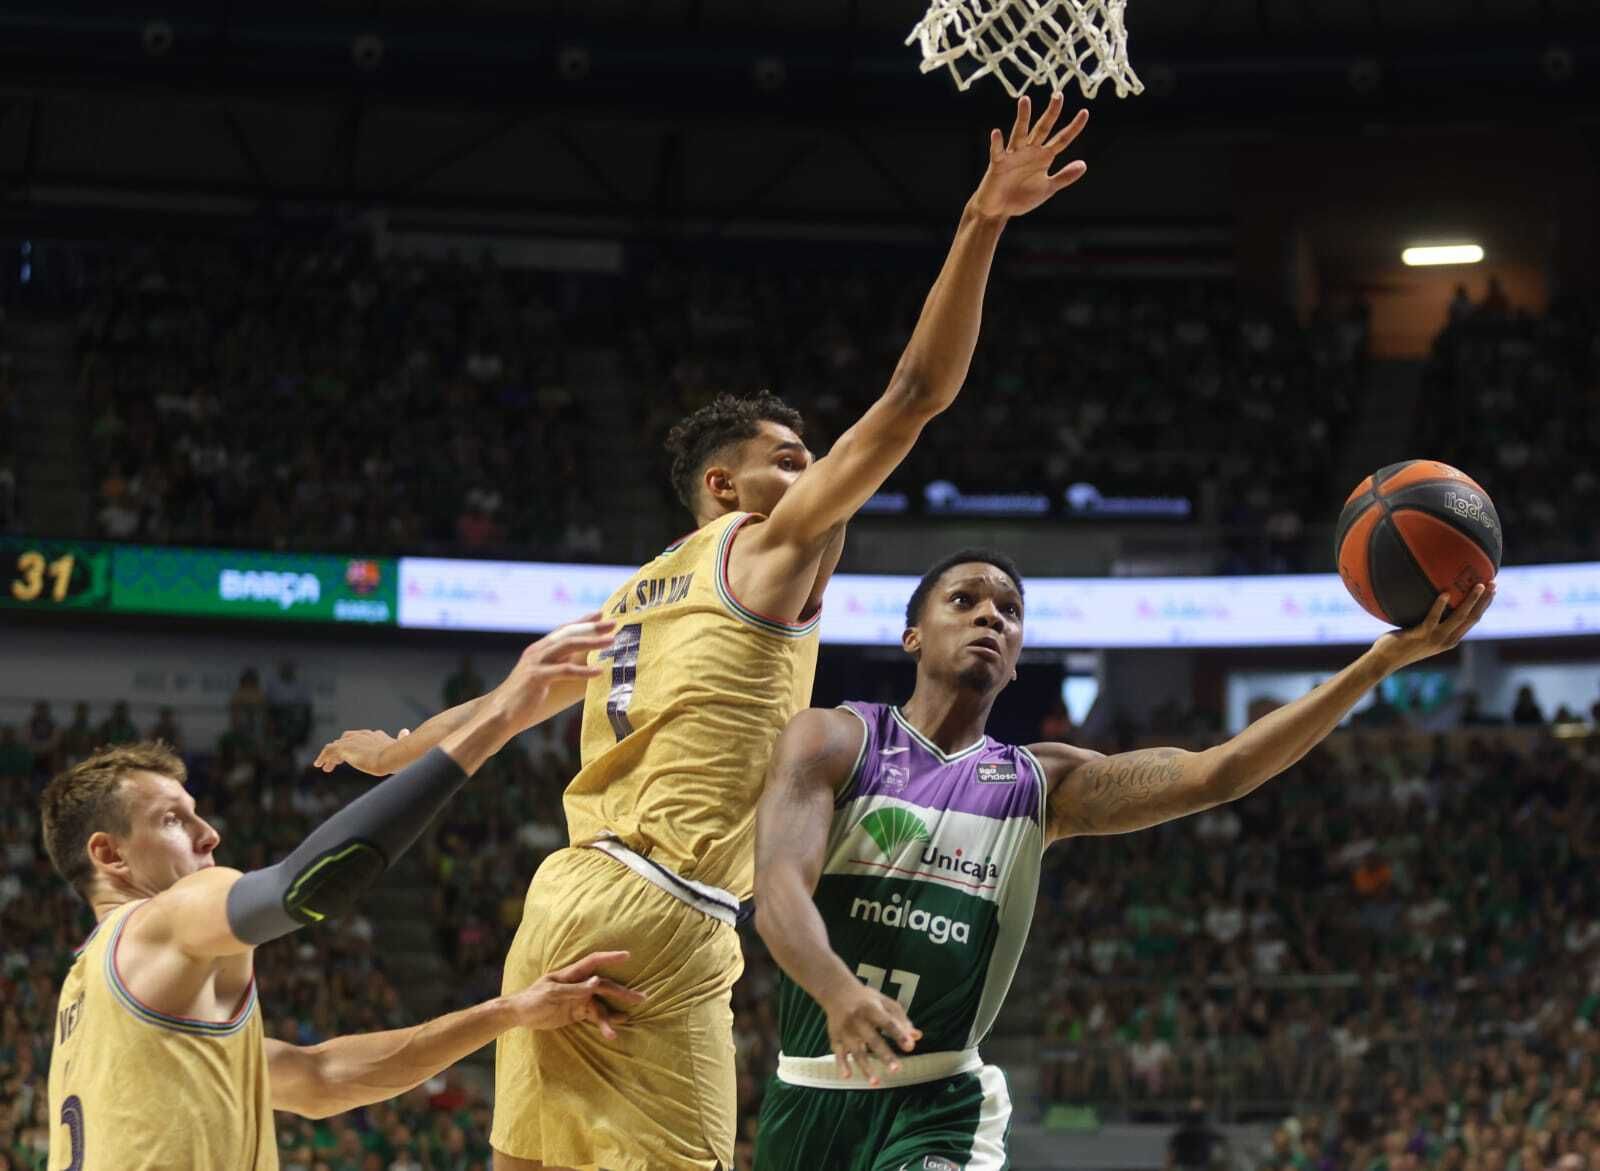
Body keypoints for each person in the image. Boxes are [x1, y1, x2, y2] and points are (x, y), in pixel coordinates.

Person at [316, 93, 1094, 1171]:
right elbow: (914, 395)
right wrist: (980, 221)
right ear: (726, 486)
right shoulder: (767, 549)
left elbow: (514, 701)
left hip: (565, 892)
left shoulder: (639, 594)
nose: (813, 473)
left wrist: (402, 749)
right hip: (662, 909)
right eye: (790, 458)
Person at [750, 551, 1492, 1169]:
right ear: (911, 636)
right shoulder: (834, 739)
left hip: (939, 1102)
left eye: (1009, 611)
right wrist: (838, 992)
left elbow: (1219, 773)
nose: (991, 617)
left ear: (1016, 662)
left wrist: (1380, 662)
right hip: (807, 1092)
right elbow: (779, 888)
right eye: (965, 600)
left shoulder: (1042, 783)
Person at [41, 618, 640, 1170]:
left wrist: (509, 1012)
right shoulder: (157, 922)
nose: (209, 834)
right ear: (109, 855)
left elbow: (321, 1078)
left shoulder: (93, 1002)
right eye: (173, 820)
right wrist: (500, 718)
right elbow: (302, 885)